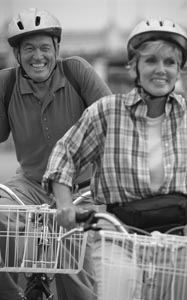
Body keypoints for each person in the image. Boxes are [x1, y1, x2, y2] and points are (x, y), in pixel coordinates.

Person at [43, 18, 187, 299]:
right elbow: (64, 154)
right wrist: (65, 205)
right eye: (151, 60)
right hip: (119, 235)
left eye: (170, 62)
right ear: (134, 67)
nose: (160, 70)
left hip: (179, 239)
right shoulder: (108, 111)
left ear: (179, 70)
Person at [0, 7, 111, 300]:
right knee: (1, 216)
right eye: (29, 49)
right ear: (17, 55)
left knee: (75, 269)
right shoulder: (6, 83)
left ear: (57, 49)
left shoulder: (76, 71)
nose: (38, 56)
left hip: (80, 186)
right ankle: (12, 295)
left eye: (45, 48)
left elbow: (113, 123)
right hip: (30, 183)